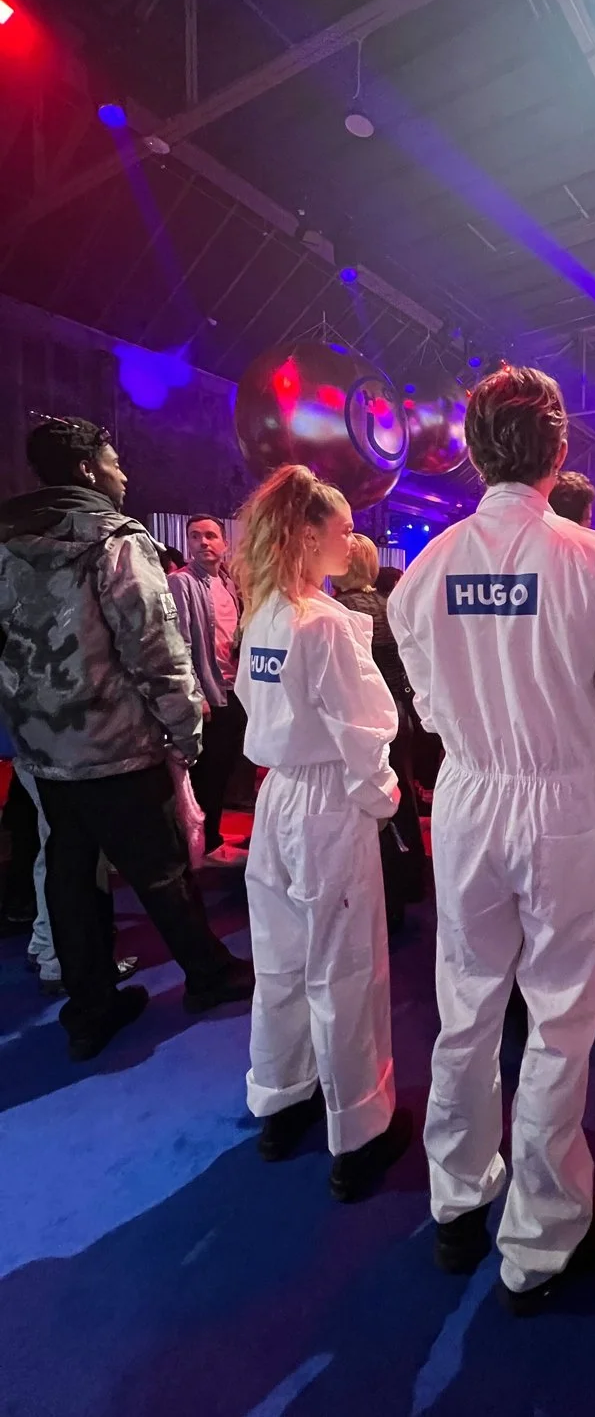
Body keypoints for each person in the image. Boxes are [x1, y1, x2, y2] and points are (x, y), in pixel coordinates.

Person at [389, 366, 595, 1309]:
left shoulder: (425, 570)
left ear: (473, 450)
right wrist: (580, 757)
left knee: (466, 1003)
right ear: (559, 451)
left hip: (469, 795)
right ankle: (540, 1234)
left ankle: (456, 1200)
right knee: (561, 1016)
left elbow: (427, 700)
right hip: (561, 799)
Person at [0, 417, 253, 1060]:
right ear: (87, 470)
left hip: (43, 747)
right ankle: (209, 974)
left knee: (69, 874)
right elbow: (154, 648)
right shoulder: (113, 536)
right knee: (162, 870)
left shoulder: (7, 537)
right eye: (114, 462)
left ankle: (89, 1010)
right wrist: (184, 731)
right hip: (117, 743)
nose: (124, 473)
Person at [233, 464, 412, 1202]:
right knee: (343, 969)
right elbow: (363, 731)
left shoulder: (264, 612)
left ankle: (281, 1097)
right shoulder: (327, 624)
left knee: (279, 963)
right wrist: (384, 801)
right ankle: (358, 1129)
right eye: (341, 529)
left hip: (277, 798)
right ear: (308, 534)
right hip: (326, 803)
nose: (352, 538)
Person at [332, 538, 427, 931]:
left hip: (366, 716)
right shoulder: (388, 604)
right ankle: (411, 878)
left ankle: (384, 892)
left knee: (372, 803)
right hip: (400, 714)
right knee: (399, 794)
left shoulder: (339, 610)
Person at [168, 515, 248, 864]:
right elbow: (179, 643)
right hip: (207, 694)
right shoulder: (181, 582)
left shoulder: (228, 583)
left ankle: (208, 843)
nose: (203, 542)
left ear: (224, 543)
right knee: (204, 776)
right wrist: (195, 692)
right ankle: (198, 848)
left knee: (222, 771)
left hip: (233, 689)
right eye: (195, 536)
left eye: (211, 535)